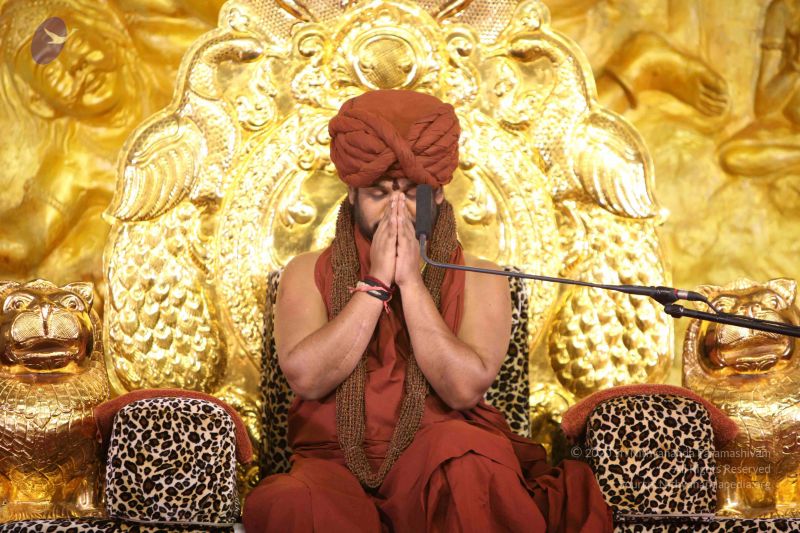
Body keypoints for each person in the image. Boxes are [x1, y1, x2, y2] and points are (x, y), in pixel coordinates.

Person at [243, 89, 614, 532]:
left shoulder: (482, 276)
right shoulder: (306, 271)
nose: (395, 209)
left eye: (410, 194)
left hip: (441, 453)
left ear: (437, 195)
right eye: (378, 193)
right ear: (352, 194)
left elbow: (462, 390)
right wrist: (376, 285)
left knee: (467, 468)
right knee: (289, 503)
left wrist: (411, 283)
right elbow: (307, 378)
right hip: (333, 463)